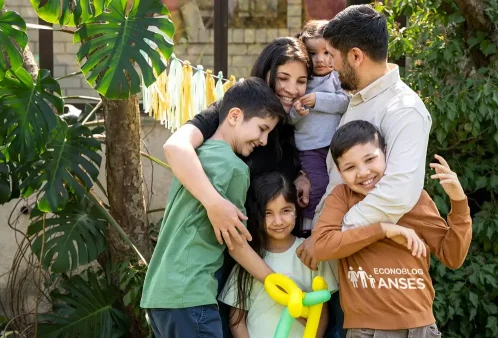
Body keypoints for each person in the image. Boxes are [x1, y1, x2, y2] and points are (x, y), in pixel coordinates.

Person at [162, 37, 316, 336]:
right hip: (224, 256)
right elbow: (175, 147)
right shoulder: (233, 112)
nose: (291, 88)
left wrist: (301, 173)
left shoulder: (284, 126)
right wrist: (214, 204)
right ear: (266, 73)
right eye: (283, 77)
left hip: (269, 251)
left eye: (301, 81)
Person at [296, 9, 433, 335]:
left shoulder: (404, 110)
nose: (326, 62)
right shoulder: (357, 100)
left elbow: (398, 191)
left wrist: (329, 237)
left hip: (383, 288)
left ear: (355, 56)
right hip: (345, 276)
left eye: (332, 54)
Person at [141, 78, 287, 338]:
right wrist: (275, 281)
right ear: (234, 116)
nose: (264, 140)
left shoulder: (197, 156)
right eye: (262, 128)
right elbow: (237, 243)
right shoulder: (234, 168)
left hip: (159, 296)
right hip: (191, 294)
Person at [312, 120, 472, 337]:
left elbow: (452, 256)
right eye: (350, 167)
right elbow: (322, 247)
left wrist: (459, 202)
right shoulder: (341, 197)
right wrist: (383, 230)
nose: (363, 172)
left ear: (386, 153)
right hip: (368, 329)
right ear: (340, 172)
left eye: (370, 159)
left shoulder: (414, 196)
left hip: (421, 327)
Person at [218, 173, 338, 338]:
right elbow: (237, 319)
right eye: (268, 213)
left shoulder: (309, 252)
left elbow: (321, 312)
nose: (278, 221)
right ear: (257, 215)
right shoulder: (249, 259)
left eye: (285, 210)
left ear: (296, 209)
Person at [291, 19, 350, 234]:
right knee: (316, 184)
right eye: (313, 53)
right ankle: (308, 227)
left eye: (326, 53)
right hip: (309, 148)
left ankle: (329, 226)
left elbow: (345, 102)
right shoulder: (302, 80)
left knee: (337, 186)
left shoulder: (337, 78)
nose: (320, 60)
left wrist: (318, 100)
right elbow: (290, 119)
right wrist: (297, 112)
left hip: (334, 147)